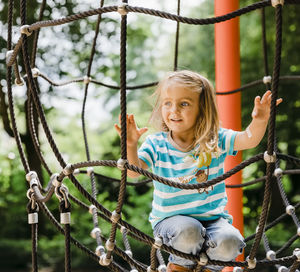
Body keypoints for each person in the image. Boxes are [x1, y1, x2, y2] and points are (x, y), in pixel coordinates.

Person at [114, 70, 282, 272]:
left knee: (231, 240)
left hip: (213, 220)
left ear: (202, 108)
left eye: (184, 104)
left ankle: (207, 269)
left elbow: (248, 139)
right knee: (189, 230)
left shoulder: (214, 140)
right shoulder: (157, 144)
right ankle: (179, 267)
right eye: (167, 103)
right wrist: (130, 145)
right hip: (171, 223)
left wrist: (260, 120)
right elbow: (134, 172)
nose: (173, 110)